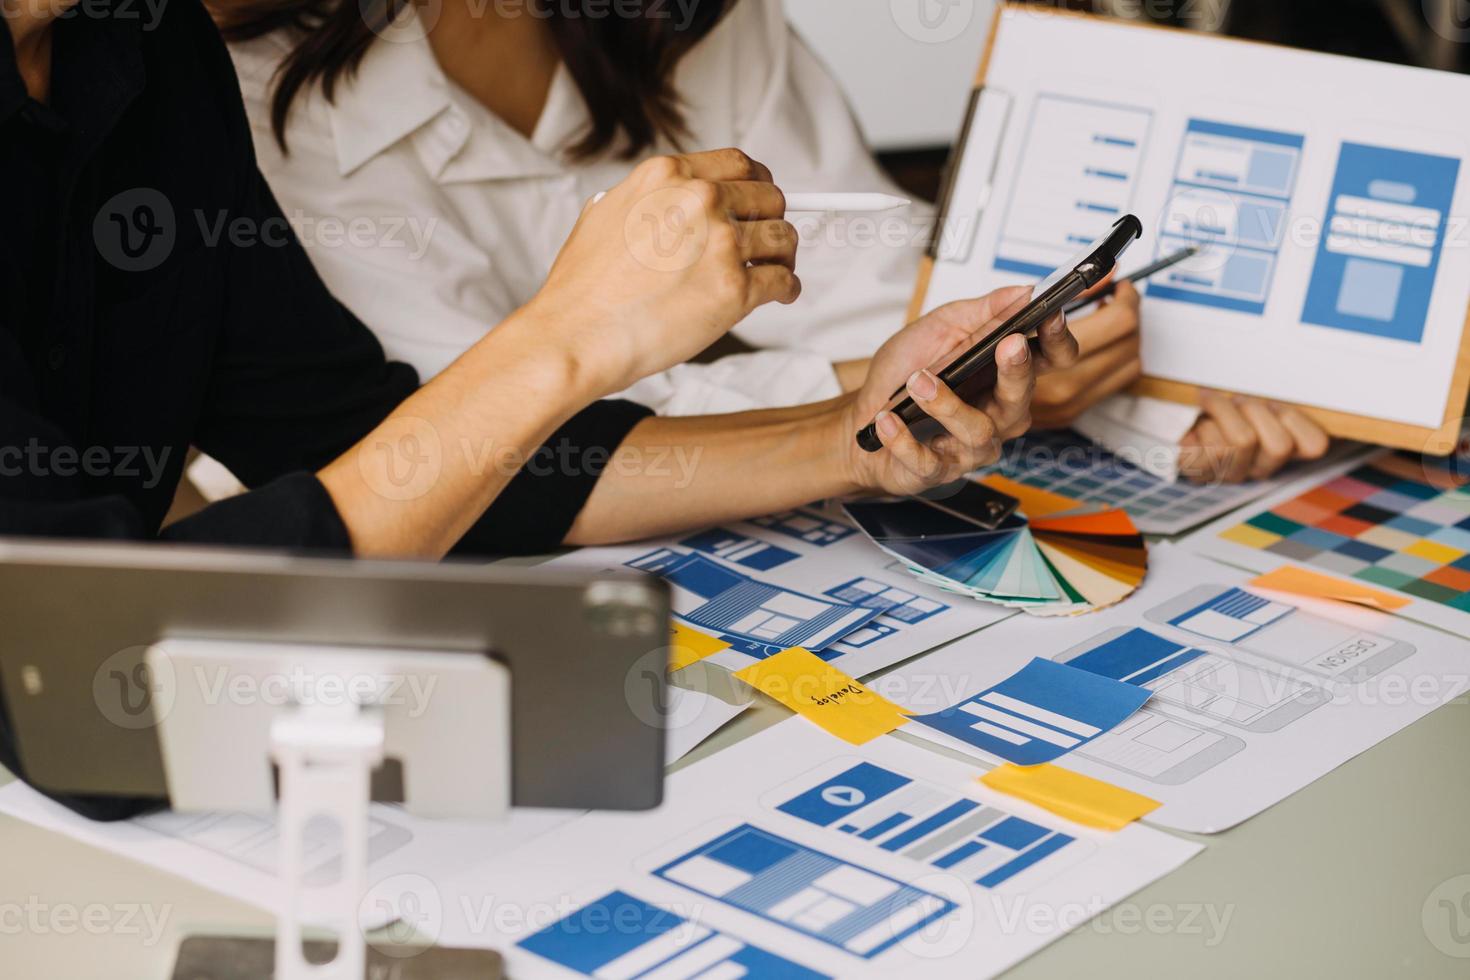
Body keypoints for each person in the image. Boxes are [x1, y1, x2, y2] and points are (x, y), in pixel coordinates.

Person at [0, 0, 1078, 815]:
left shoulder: (145, 48)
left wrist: (851, 441)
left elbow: (368, 447)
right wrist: (568, 335)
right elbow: (79, 680)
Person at [221, 0, 1330, 482]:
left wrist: (1118, 392)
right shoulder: (253, 88)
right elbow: (490, 439)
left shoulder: (683, 14)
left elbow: (863, 277)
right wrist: (926, 388)